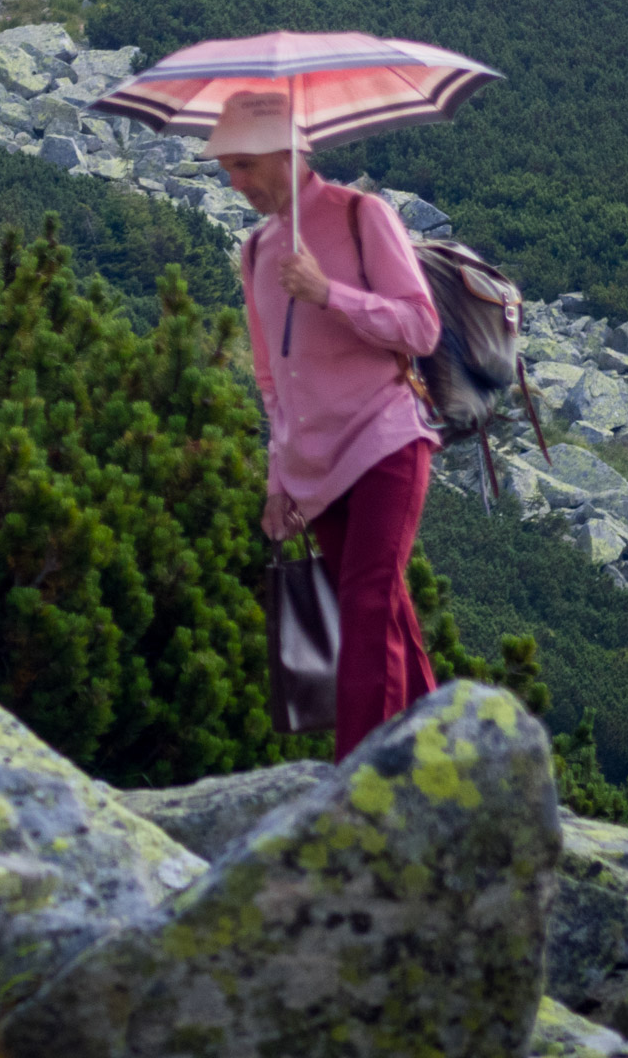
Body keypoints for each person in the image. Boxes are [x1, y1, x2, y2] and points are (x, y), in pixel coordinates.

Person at [217, 91, 444, 760]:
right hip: (316, 468)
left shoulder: (359, 216)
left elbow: (420, 327)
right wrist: (278, 474)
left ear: (288, 155)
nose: (234, 181)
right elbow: (271, 380)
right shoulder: (256, 251)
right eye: (227, 167)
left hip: (386, 439)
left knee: (368, 604)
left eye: (244, 165)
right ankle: (439, 752)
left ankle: (359, 780)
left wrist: (328, 294)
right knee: (383, 611)